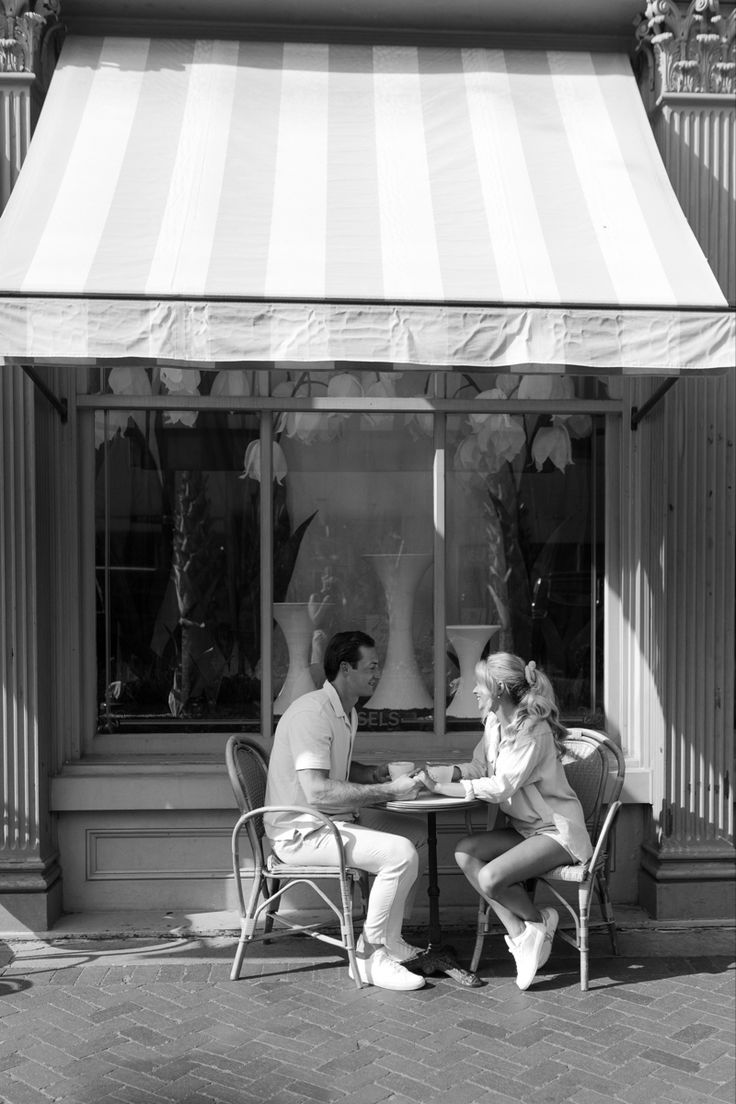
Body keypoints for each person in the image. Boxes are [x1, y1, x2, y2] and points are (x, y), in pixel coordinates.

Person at [414, 653, 593, 990]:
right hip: (525, 830)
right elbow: (479, 769)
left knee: (492, 877)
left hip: (556, 831)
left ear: (497, 689)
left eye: (479, 685)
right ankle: (525, 933)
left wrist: (439, 789)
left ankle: (538, 923)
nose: (473, 692)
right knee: (466, 852)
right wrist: (433, 773)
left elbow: (500, 786)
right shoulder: (494, 723)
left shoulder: (532, 732)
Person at [264, 629, 428, 991]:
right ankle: (369, 957)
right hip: (301, 832)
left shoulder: (345, 710)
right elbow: (319, 791)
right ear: (344, 669)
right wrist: (389, 789)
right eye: (371, 666)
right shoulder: (313, 713)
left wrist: (371, 773)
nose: (377, 673)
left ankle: (391, 940)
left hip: (330, 821)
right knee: (398, 853)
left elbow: (330, 768)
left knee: (415, 835)